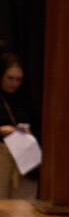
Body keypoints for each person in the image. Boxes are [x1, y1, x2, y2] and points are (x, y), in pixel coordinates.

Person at [0, 52, 35, 198]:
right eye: (10, 78)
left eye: (18, 79)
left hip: (23, 154)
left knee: (23, 206)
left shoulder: (25, 98)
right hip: (3, 154)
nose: (14, 83)